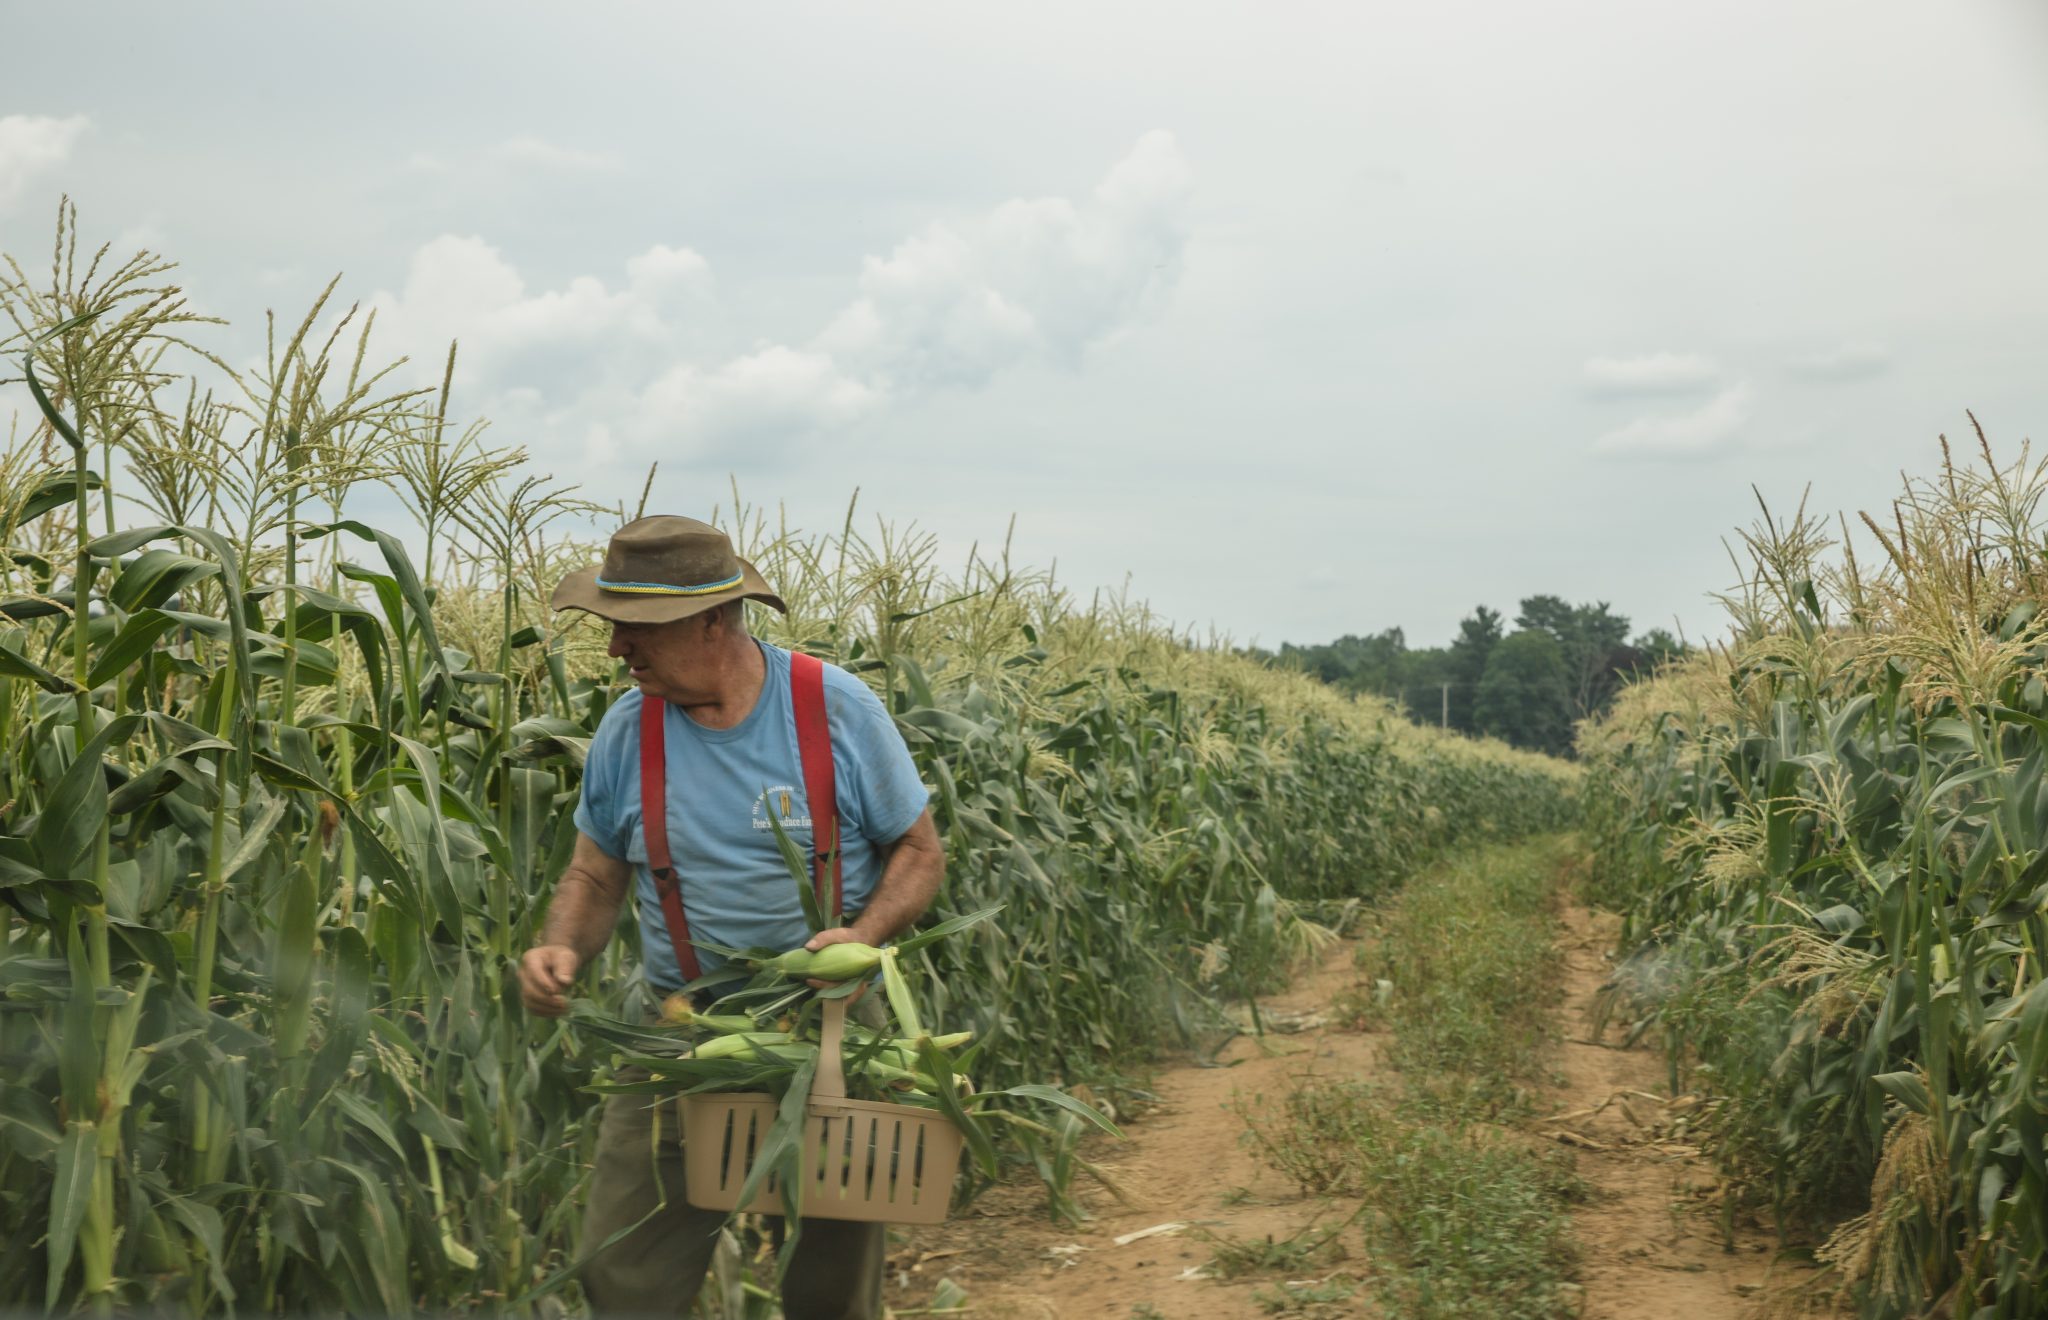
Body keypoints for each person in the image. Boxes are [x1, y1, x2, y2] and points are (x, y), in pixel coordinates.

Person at [518, 514, 946, 1320]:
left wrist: (862, 939)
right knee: (620, 1270)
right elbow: (595, 874)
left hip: (826, 1031)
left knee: (831, 1286)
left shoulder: (833, 708)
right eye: (614, 629)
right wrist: (558, 948)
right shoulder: (625, 732)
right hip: (679, 1034)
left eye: (637, 630)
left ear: (714, 619)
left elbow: (919, 852)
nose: (617, 650)